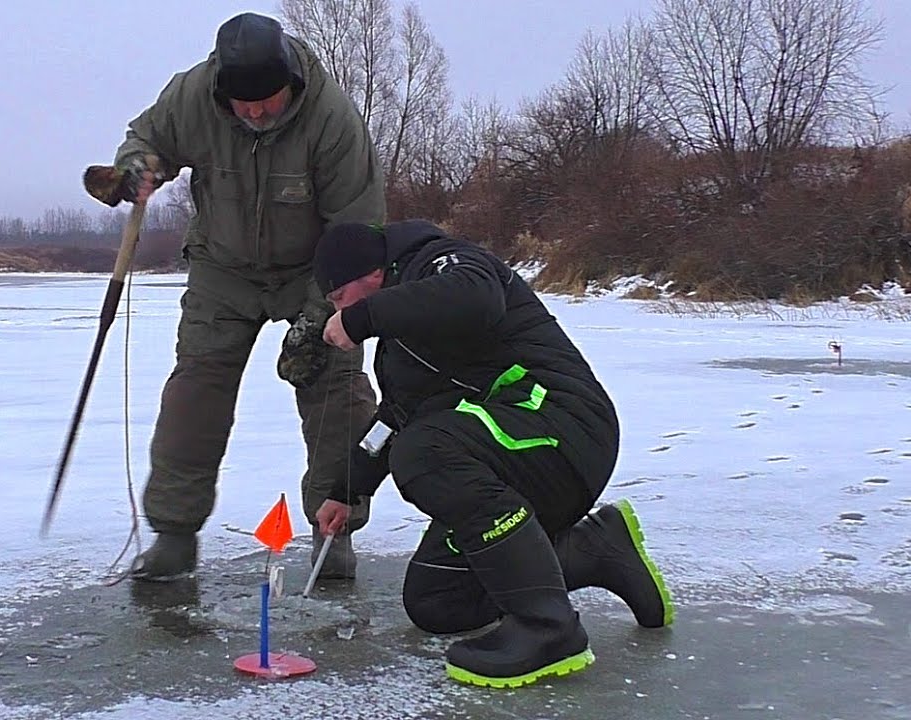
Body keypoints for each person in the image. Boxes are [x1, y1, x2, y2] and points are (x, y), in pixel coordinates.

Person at [311, 219, 675, 688]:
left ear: (372, 275)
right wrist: (346, 490)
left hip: (564, 428)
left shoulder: (444, 261)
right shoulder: (402, 343)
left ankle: (548, 629)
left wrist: (361, 319)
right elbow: (394, 417)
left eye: (338, 298)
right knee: (436, 601)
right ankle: (590, 550)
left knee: (424, 452)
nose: (337, 312)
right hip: (517, 450)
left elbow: (474, 297)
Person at [93, 12, 385, 581]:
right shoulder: (193, 95)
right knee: (196, 390)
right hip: (222, 269)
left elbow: (358, 228)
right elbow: (148, 138)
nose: (254, 112)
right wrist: (137, 168)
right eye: (242, 103)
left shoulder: (332, 119)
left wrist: (322, 317)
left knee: (336, 388)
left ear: (291, 84)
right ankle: (174, 534)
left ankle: (335, 535)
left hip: (315, 269)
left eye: (268, 101)